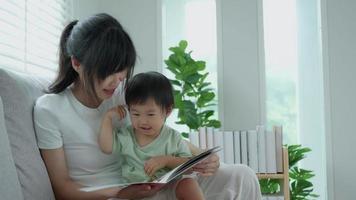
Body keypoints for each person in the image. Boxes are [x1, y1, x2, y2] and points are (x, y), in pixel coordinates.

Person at [34, 13, 262, 199]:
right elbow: (62, 189)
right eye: (108, 71)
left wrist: (201, 156)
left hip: (152, 182)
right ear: (77, 63)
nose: (118, 79)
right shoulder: (50, 110)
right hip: (110, 194)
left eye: (122, 69)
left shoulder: (122, 93)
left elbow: (160, 133)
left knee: (241, 175)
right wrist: (122, 192)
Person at [98, 72, 204, 200]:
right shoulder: (127, 135)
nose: (143, 121)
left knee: (188, 184)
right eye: (136, 114)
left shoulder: (172, 137)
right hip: (136, 193)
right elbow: (106, 147)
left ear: (167, 111)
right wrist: (107, 119)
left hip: (168, 188)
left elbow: (188, 166)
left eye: (150, 114)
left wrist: (166, 160)